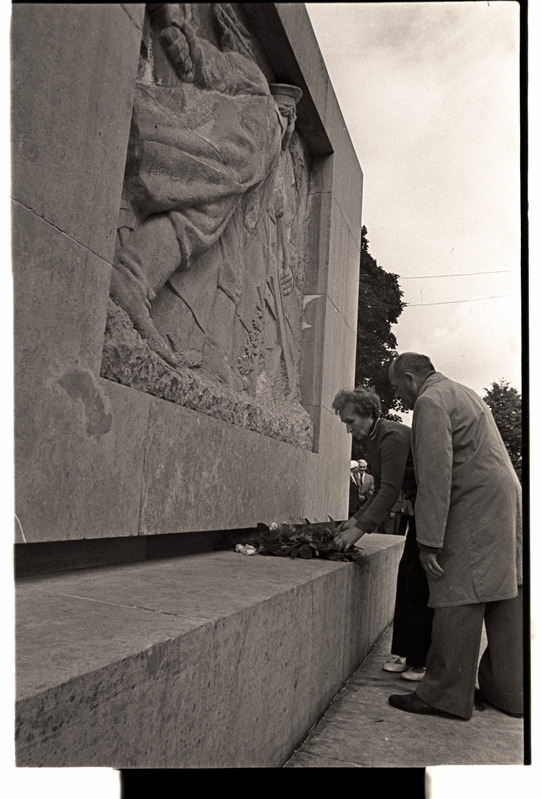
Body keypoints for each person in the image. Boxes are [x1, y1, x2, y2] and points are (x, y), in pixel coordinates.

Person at [110, 3, 302, 381]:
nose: (288, 120)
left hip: (224, 187)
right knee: (196, 223)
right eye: (286, 110)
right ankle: (131, 280)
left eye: (292, 115)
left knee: (205, 234)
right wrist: (186, 45)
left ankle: (137, 286)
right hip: (198, 157)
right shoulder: (257, 91)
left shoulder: (272, 158)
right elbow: (212, 67)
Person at [387, 353, 523, 720]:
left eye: (398, 387)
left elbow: (435, 476)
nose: (399, 396)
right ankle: (510, 692)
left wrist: (428, 541)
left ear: (412, 378)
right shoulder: (463, 392)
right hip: (502, 497)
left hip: (474, 500)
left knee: (456, 588)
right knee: (504, 594)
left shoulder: (431, 401)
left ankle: (443, 695)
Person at [332, 387, 433, 681]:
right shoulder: (373, 439)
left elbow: (389, 490)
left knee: (418, 580)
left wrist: (360, 530)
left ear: (368, 415)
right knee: (407, 575)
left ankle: (419, 660)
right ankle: (404, 653)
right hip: (419, 510)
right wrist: (354, 519)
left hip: (431, 510)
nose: (349, 429)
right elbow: (379, 488)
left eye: (351, 422)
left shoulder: (391, 437)